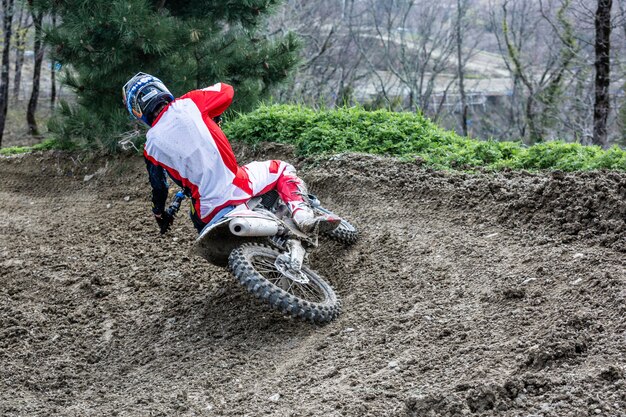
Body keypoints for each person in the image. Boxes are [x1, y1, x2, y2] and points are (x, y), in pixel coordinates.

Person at [122, 72, 339, 234]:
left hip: (205, 211)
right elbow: (226, 90)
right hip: (236, 186)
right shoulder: (189, 103)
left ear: (138, 111)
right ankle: (302, 214)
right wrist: (212, 113)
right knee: (281, 168)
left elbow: (159, 186)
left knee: (195, 216)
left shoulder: (150, 146)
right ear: (161, 89)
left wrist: (159, 213)